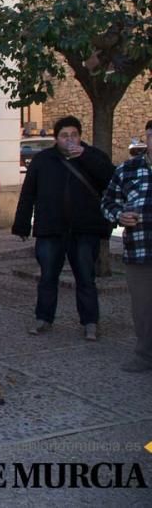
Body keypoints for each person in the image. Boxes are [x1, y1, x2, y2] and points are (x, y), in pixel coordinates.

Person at [13, 116, 115, 341]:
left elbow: (110, 180)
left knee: (85, 278)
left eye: (74, 135)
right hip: (51, 228)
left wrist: (86, 158)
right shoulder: (43, 160)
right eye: (64, 135)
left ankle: (90, 322)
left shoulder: (94, 156)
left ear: (80, 136)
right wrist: (21, 224)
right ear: (56, 138)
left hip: (84, 228)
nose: (69, 139)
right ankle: (43, 318)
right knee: (48, 276)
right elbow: (28, 193)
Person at [100, 119, 152, 372]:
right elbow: (108, 202)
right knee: (143, 308)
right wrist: (119, 215)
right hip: (139, 250)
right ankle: (145, 355)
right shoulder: (127, 170)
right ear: (147, 138)